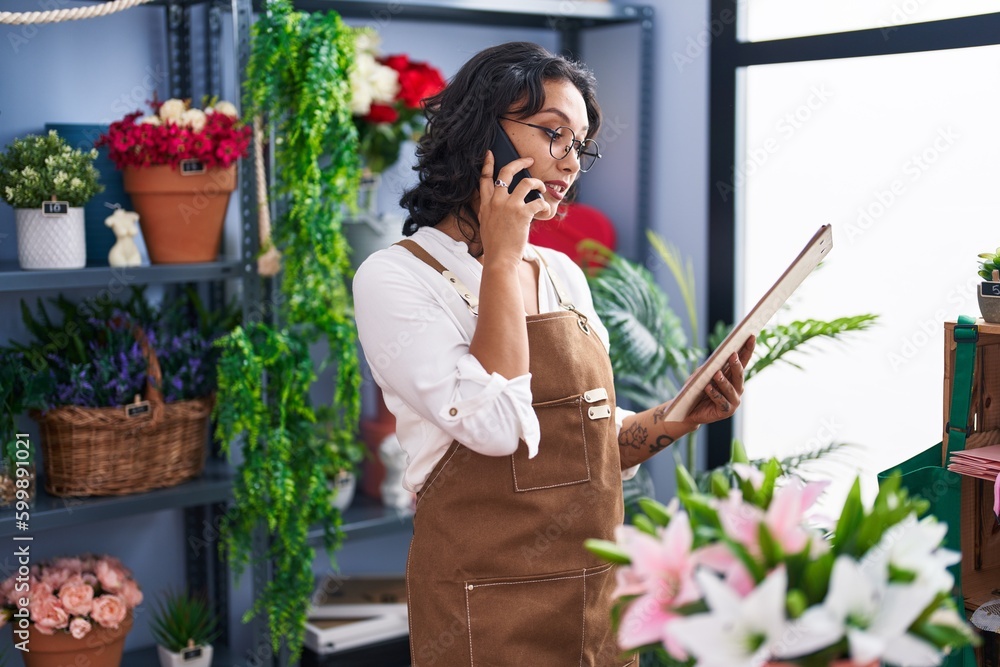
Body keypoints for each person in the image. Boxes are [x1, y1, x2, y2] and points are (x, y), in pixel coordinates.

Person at [353, 41, 755, 667]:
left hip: (598, 605)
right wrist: (504, 259)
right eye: (553, 135)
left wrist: (678, 417)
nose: (570, 163)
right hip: (482, 616)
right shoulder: (397, 278)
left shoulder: (564, 271)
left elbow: (585, 442)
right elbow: (495, 426)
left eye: (581, 145)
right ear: (483, 130)